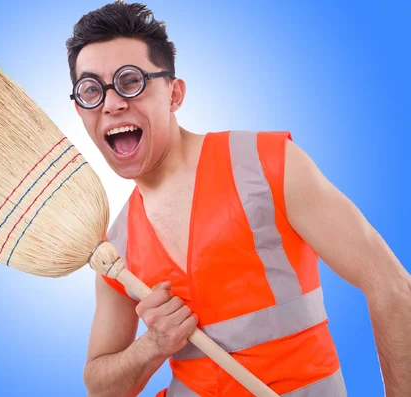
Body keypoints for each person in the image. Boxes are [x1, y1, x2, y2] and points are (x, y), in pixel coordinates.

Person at [64, 2, 410, 396]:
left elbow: (392, 288)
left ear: (174, 94)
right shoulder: (115, 248)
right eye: (91, 90)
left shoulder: (265, 165)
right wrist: (151, 347)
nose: (111, 104)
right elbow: (100, 388)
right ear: (80, 109)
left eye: (131, 82)